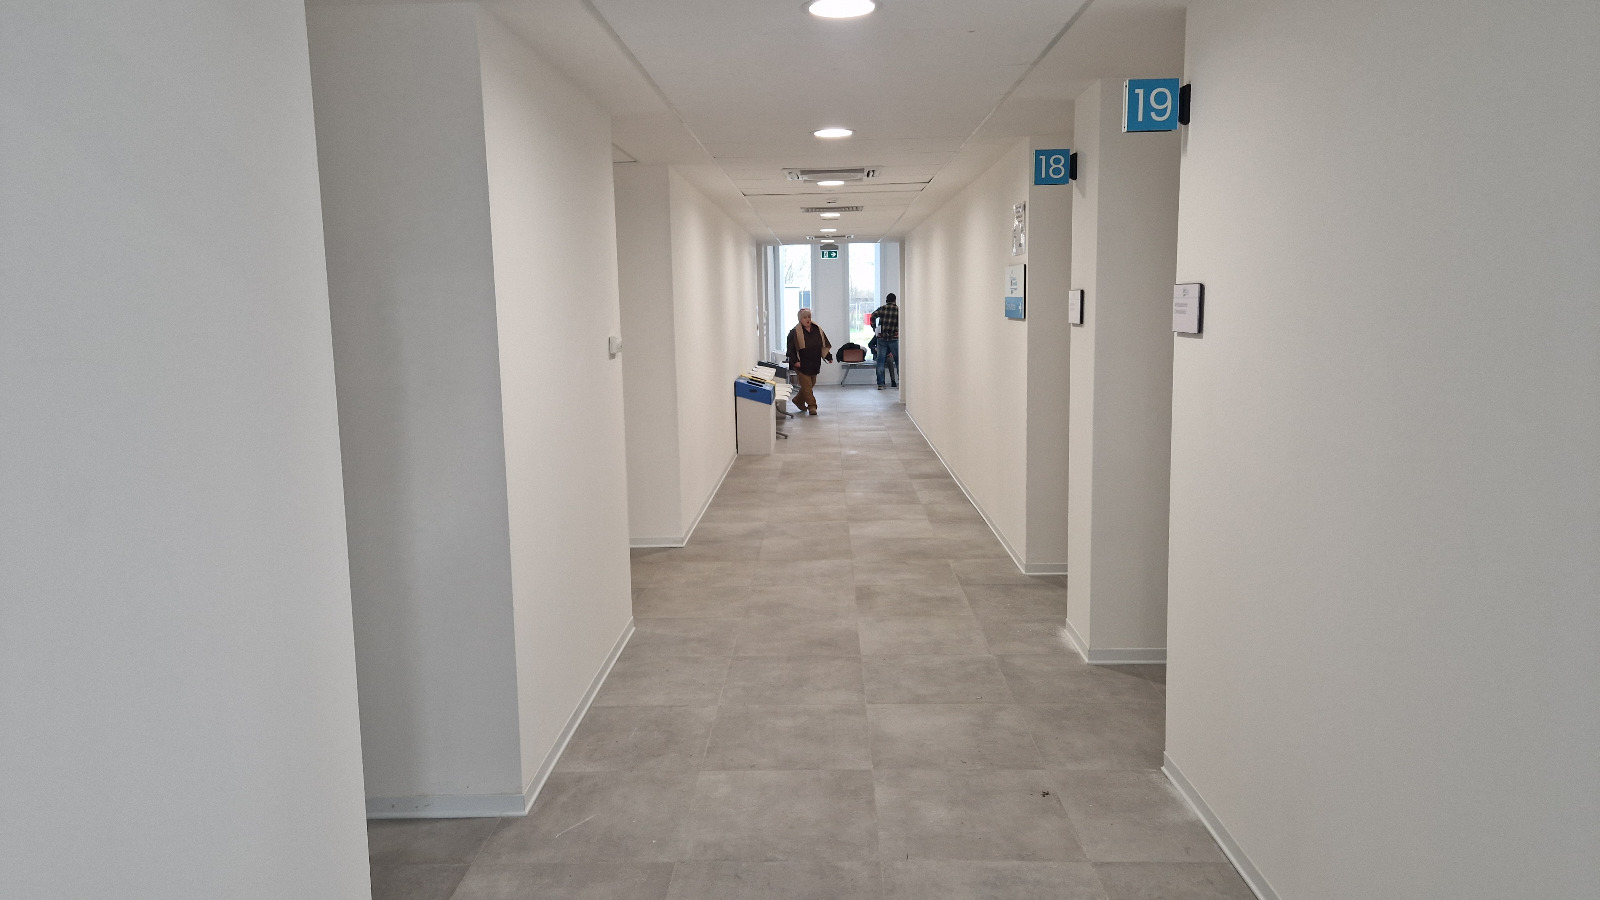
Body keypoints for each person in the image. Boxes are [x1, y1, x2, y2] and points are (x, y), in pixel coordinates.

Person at [784, 308, 832, 416]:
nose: (807, 319)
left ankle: (798, 400)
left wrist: (828, 356)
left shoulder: (817, 329)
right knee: (807, 386)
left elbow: (822, 345)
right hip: (801, 363)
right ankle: (812, 406)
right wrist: (795, 361)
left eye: (809, 317)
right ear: (800, 319)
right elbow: (790, 350)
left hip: (814, 362)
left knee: (810, 384)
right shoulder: (794, 333)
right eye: (804, 317)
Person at [868, 292, 899, 390]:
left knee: (880, 361)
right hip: (894, 338)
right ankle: (901, 383)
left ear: (886, 300)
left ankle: (880, 384)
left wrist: (875, 328)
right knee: (898, 361)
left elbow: (872, 316)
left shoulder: (882, 309)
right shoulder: (898, 310)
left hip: (881, 338)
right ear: (895, 300)